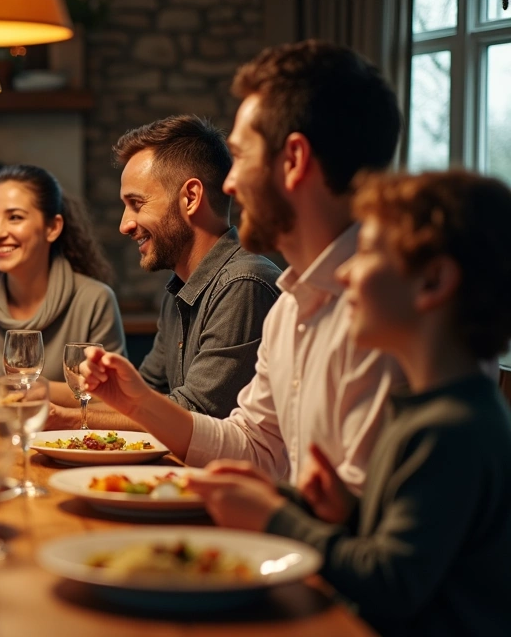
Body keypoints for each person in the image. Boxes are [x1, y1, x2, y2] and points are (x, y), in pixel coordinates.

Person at [187, 171, 511, 636]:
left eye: (367, 254)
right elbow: (412, 547)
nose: (343, 273)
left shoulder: (453, 428)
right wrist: (331, 509)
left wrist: (275, 518)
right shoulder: (423, 407)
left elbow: (392, 583)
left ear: (433, 281)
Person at [79, 40, 404, 491]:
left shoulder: (387, 313)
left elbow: (362, 516)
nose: (229, 183)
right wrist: (138, 405)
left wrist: (267, 514)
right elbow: (255, 444)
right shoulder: (291, 304)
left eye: (242, 155)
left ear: (294, 161)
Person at [49, 115, 281, 427]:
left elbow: (194, 416)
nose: (124, 225)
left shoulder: (243, 284)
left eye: (136, 203)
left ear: (191, 198)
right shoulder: (180, 288)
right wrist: (35, 393)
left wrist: (67, 419)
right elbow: (143, 396)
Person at [0, 164, 125, 404]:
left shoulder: (94, 299)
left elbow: (117, 396)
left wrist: (33, 390)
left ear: (53, 227)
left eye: (15, 217)